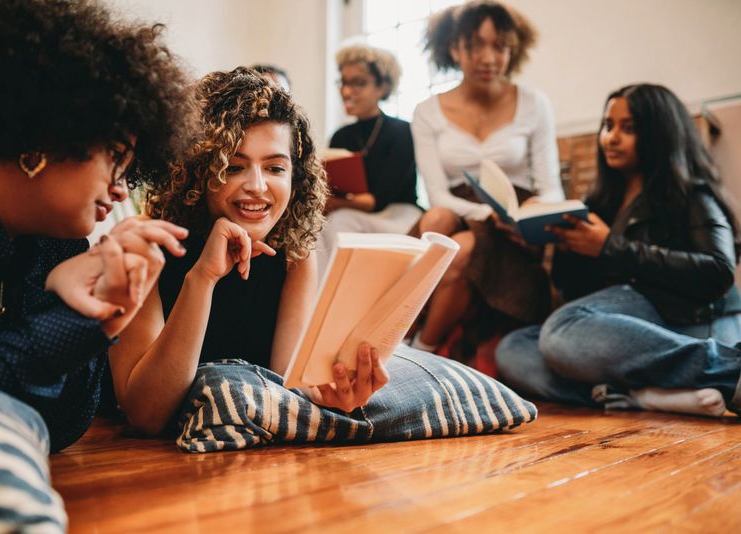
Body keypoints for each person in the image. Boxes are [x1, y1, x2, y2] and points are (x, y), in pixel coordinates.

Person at [0, 0, 197, 456]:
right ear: (44, 134)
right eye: (116, 157)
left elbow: (63, 425)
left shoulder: (57, 245)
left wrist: (98, 316)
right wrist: (69, 320)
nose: (121, 190)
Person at [109, 68, 390, 435]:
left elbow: (289, 387)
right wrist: (202, 278)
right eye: (235, 167)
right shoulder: (147, 247)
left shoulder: (294, 257)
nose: (257, 187)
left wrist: (333, 397)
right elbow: (146, 414)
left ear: (296, 177)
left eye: (275, 167)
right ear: (197, 171)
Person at [496, 83, 741, 418]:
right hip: (628, 327)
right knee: (514, 348)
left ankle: (730, 372)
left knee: (560, 330)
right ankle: (642, 395)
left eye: (628, 129)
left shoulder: (693, 195)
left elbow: (717, 272)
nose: (611, 138)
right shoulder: (601, 203)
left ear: (659, 134)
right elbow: (576, 291)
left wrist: (609, 247)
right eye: (608, 126)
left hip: (687, 319)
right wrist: (561, 241)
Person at [410, 1, 563, 353]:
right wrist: (484, 213)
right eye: (475, 45)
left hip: (515, 228)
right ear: (453, 47)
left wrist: (535, 212)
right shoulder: (427, 112)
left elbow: (551, 186)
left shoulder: (534, 104)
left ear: (513, 48)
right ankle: (410, 332)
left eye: (499, 46)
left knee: (460, 250)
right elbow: (437, 195)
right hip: (460, 211)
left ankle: (421, 348)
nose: (488, 57)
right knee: (436, 219)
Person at [316, 44, 422, 275]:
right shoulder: (341, 135)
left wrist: (330, 204)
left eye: (359, 83)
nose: (346, 91)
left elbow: (377, 200)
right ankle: (318, 304)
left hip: (398, 216)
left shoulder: (403, 132)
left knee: (339, 222)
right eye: (344, 82)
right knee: (315, 229)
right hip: (352, 213)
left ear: (382, 86)